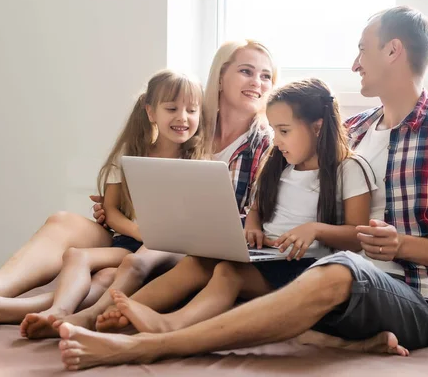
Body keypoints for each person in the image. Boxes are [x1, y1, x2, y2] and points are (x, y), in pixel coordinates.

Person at [55, 6, 428, 371]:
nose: (354, 63)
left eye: (362, 50)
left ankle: (151, 346)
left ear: (393, 51)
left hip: (416, 298)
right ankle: (93, 321)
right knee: (220, 264)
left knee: (341, 268)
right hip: (330, 272)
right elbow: (287, 174)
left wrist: (400, 244)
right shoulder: (351, 131)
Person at [0, 69, 212, 335]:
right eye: (172, 109)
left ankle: (2, 309)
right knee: (85, 260)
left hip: (161, 250)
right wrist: (139, 231)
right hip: (130, 240)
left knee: (105, 278)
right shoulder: (132, 155)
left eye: (191, 110)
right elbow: (112, 212)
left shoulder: (200, 161)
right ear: (150, 112)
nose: (183, 118)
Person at [103, 78, 377, 337]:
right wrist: (253, 225)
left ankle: (170, 324)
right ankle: (114, 312)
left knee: (227, 272)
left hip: (305, 268)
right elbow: (256, 208)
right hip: (266, 256)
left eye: (284, 131)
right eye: (274, 131)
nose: (277, 140)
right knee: (198, 260)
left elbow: (357, 236)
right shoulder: (279, 164)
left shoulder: (348, 169)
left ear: (317, 127)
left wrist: (315, 230)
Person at [87, 39, 279, 332]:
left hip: (205, 248)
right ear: (220, 77)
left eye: (266, 76)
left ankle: (92, 317)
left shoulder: (266, 143)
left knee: (130, 266)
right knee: (104, 272)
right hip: (162, 238)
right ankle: (64, 313)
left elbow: (257, 216)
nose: (258, 82)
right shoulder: (190, 125)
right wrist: (124, 202)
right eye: (246, 71)